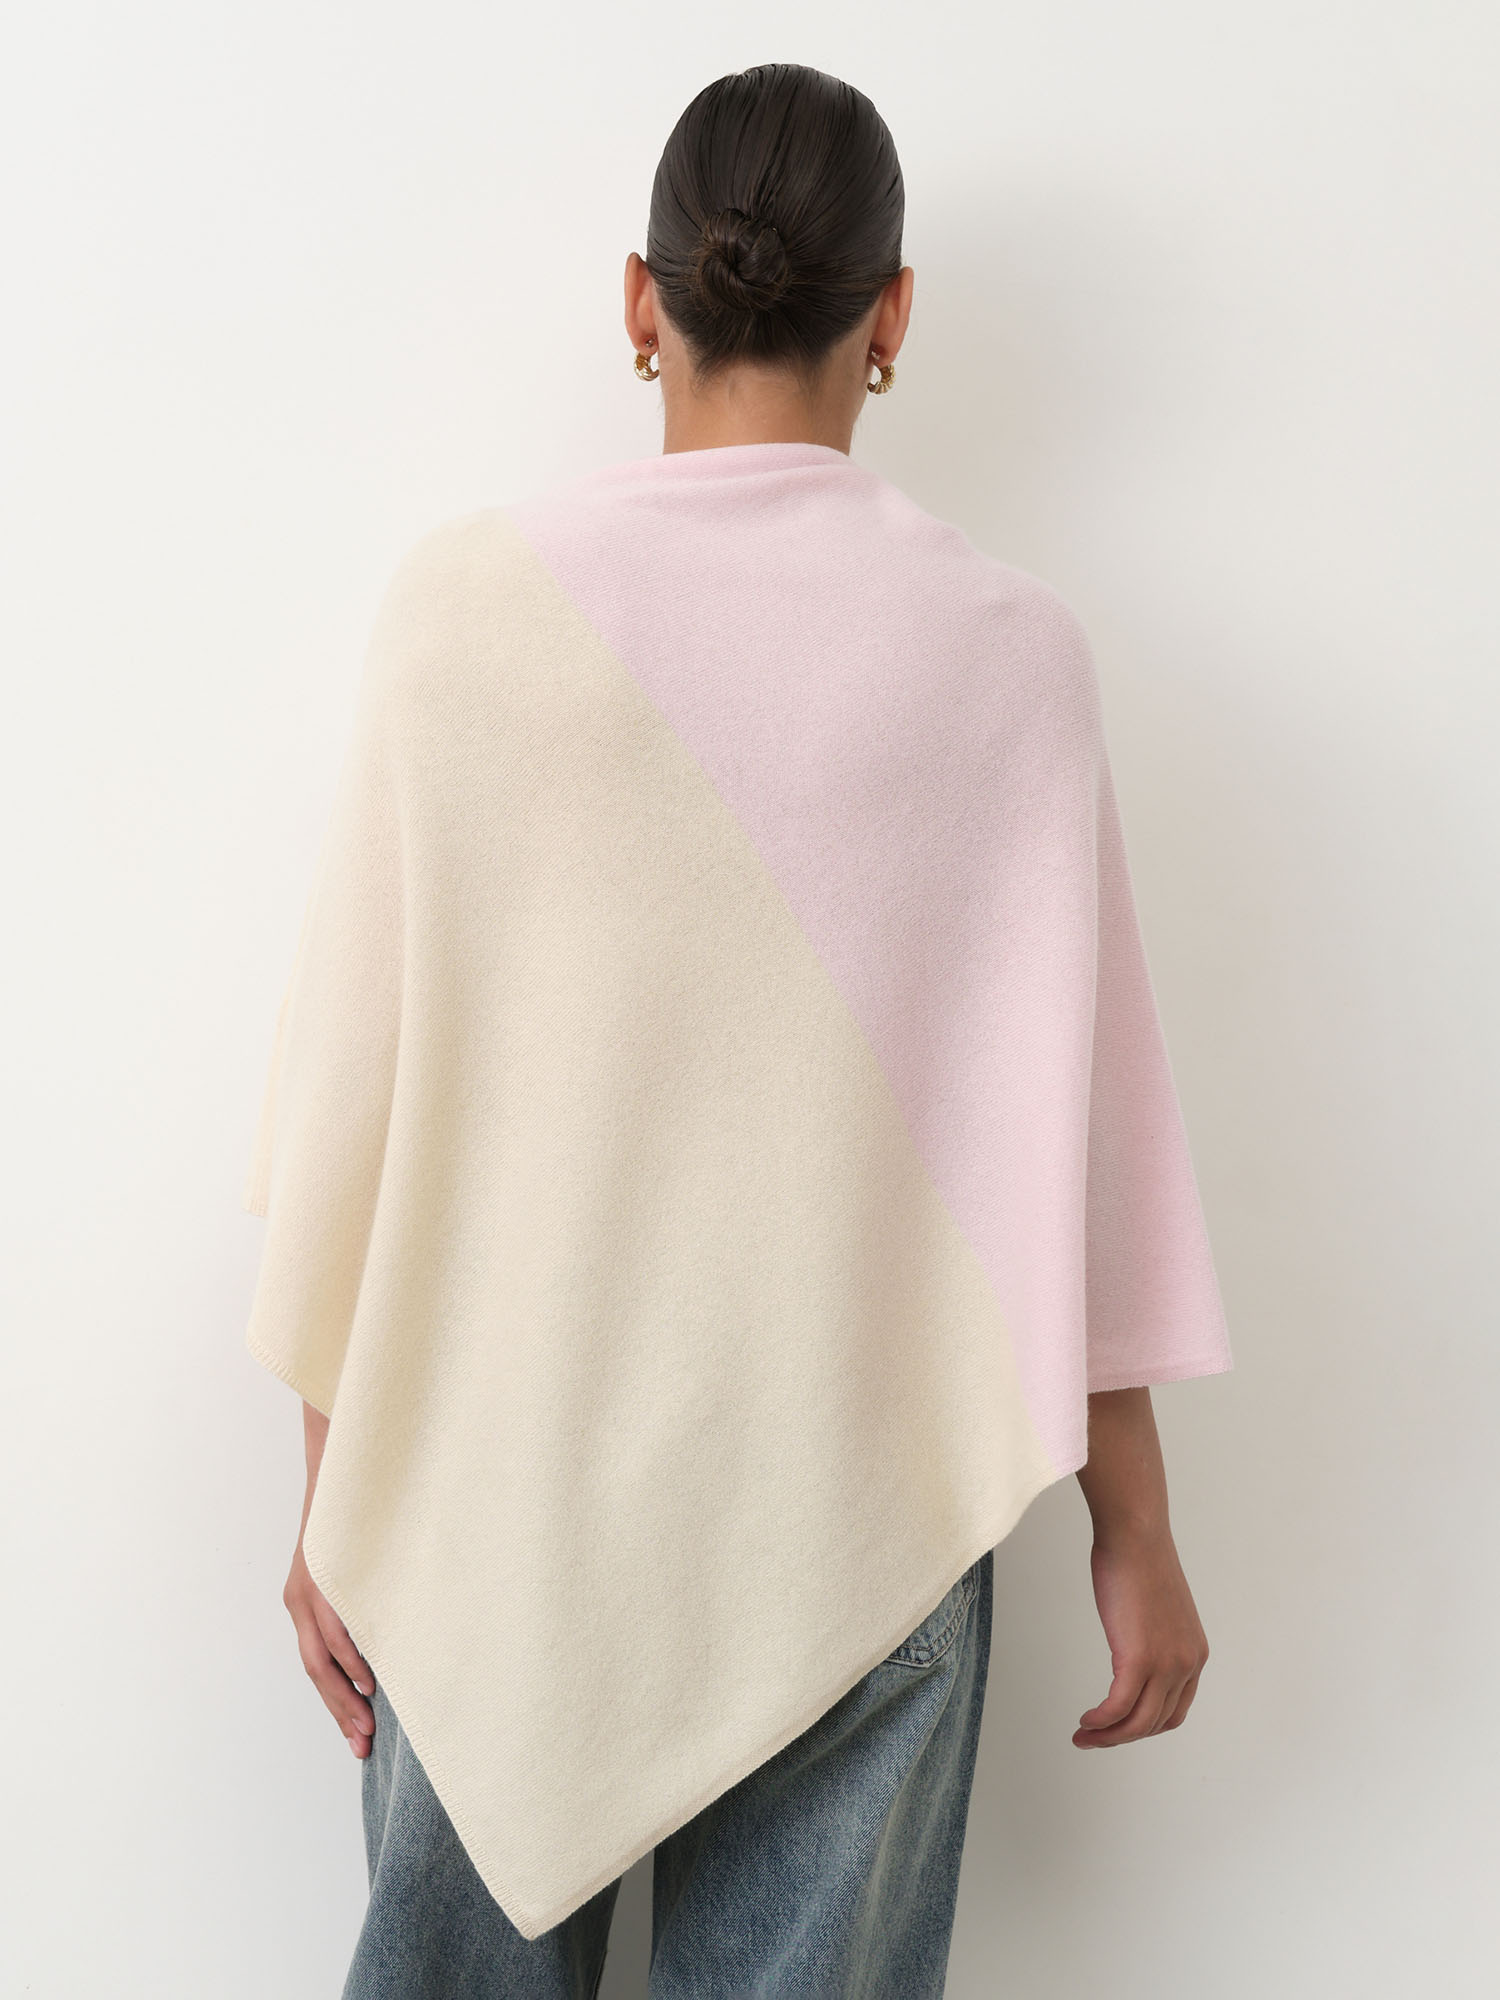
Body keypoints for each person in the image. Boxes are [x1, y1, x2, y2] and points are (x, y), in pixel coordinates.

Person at [243, 61, 1233, 2000]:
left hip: (487, 1502)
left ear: (643, 300)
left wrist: (332, 1489)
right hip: (855, 1507)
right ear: (894, 312)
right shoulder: (1011, 656)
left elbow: (353, 1104)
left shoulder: (464, 611)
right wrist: (1136, 1523)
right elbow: (1074, 1139)